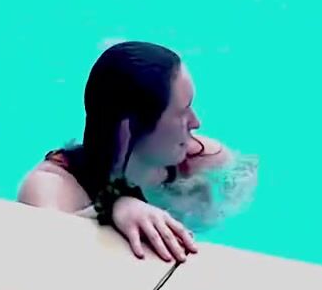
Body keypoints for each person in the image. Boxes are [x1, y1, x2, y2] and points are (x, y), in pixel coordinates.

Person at [17, 41, 253, 263]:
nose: (195, 123)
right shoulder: (53, 184)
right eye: (182, 112)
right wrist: (110, 208)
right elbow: (47, 253)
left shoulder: (201, 162)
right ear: (128, 129)